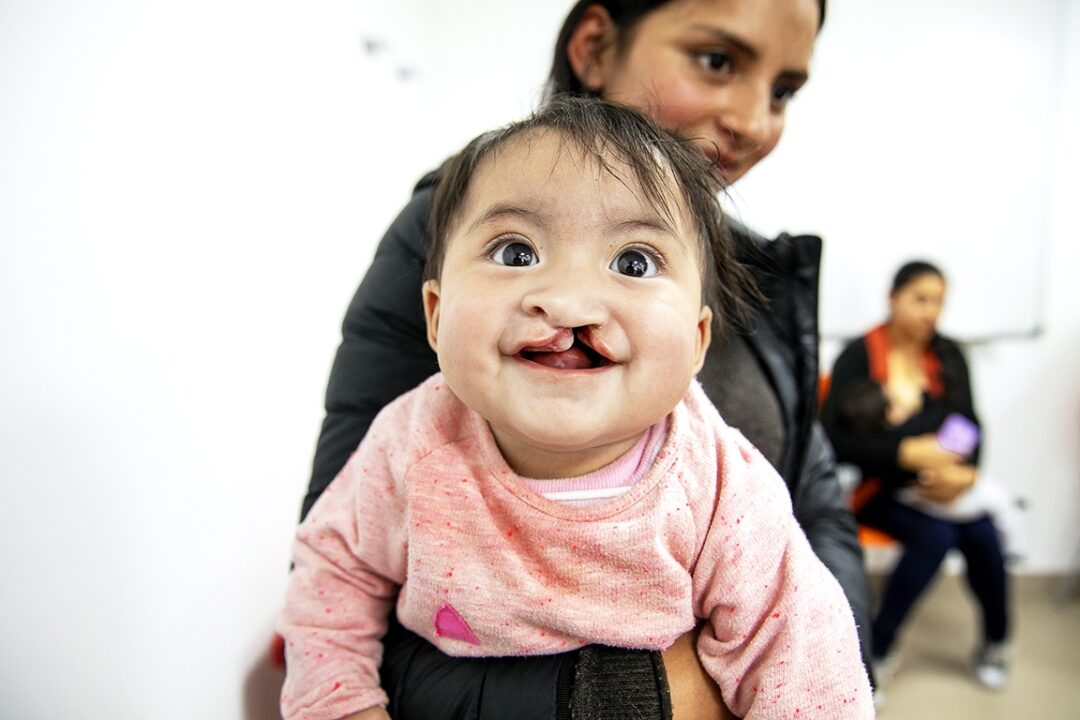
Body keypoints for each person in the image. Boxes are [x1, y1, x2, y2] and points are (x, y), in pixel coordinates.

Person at [299, 1, 875, 717]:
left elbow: (809, 603)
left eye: (634, 261)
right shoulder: (414, 436)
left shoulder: (717, 473)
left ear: (699, 338)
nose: (569, 302)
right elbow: (332, 575)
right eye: (717, 60)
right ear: (435, 313)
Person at [821, 260, 1012, 690]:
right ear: (893, 298)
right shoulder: (860, 355)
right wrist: (904, 453)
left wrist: (966, 476)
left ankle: (997, 643)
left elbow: (971, 425)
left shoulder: (948, 355)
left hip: (942, 489)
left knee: (984, 535)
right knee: (937, 538)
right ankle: (877, 652)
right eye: (920, 299)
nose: (931, 312)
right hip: (878, 488)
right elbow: (835, 441)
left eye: (939, 302)